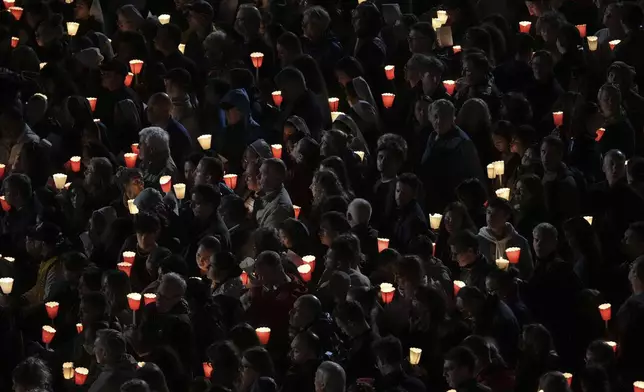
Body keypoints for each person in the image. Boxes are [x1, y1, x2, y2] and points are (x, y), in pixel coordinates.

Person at [421, 99, 485, 211]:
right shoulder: (432, 137)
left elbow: (476, 172)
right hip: (431, 197)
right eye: (436, 116)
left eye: (444, 117)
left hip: (452, 203)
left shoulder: (463, 143)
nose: (439, 121)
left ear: (452, 119)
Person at [456, 286, 521, 364]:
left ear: (475, 302)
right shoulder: (489, 311)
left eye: (464, 309)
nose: (465, 316)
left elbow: (500, 353)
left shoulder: (498, 319)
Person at [478, 197, 534, 279]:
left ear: (506, 216)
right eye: (489, 212)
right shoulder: (479, 241)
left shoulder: (519, 242)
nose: (490, 217)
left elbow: (528, 270)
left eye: (496, 214)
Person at [146, 93, 193, 168]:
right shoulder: (152, 130)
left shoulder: (177, 134)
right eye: (148, 107)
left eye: (153, 107)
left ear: (165, 110)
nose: (148, 110)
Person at [254, 158, 294, 229]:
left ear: (277, 179)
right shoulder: (266, 192)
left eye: (263, 173)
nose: (258, 176)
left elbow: (267, 238)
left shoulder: (279, 210)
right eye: (259, 172)